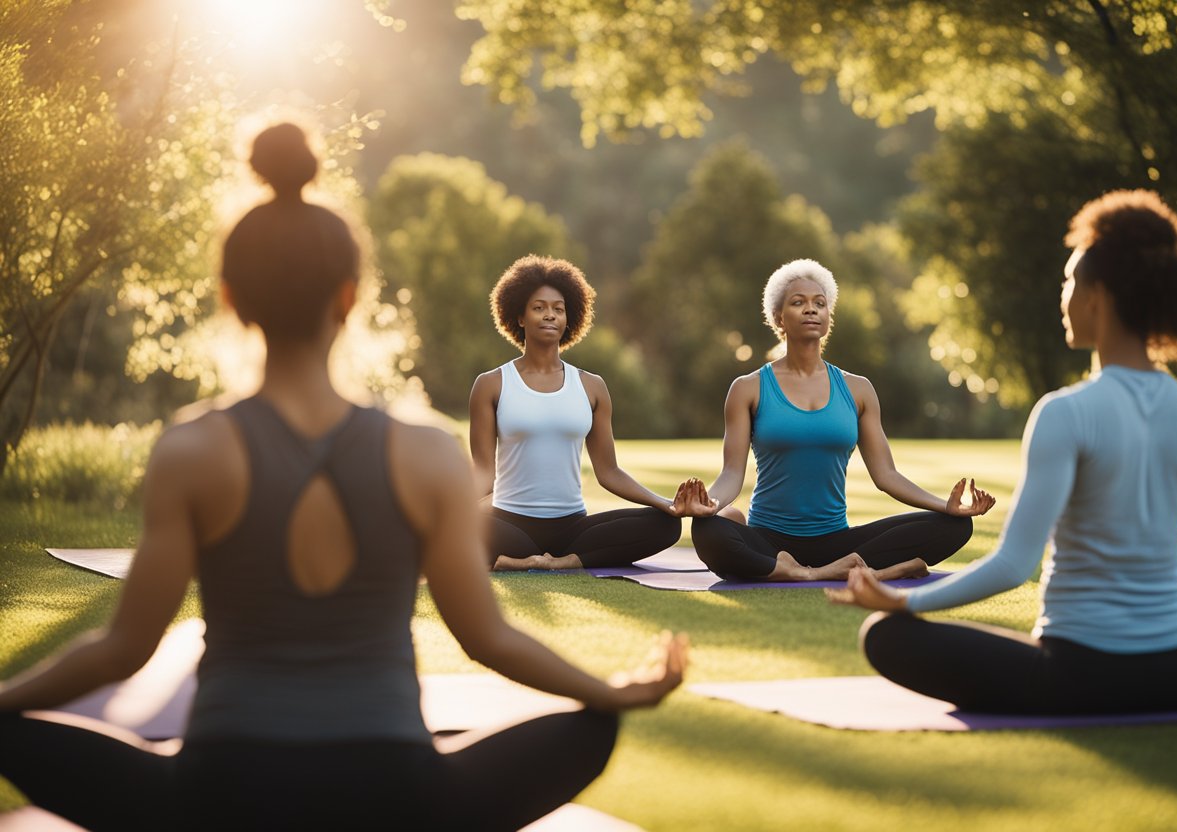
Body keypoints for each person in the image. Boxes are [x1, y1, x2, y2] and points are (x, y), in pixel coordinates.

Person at [0, 123, 687, 832]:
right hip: (398, 792)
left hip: (221, 793)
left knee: (13, 731)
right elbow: (488, 638)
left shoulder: (193, 447)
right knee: (592, 727)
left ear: (232, 298)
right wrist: (611, 692)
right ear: (350, 297)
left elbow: (123, 648)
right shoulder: (422, 451)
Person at [829, 189, 1177, 714]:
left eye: (1070, 282)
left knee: (885, 635)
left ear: (1098, 297)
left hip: (1080, 672)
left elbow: (1015, 563)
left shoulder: (1066, 412)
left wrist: (903, 599)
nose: (1064, 297)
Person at [685, 258, 995, 582]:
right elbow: (732, 473)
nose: (811, 310)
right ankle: (837, 573)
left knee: (955, 526)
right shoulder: (748, 388)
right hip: (770, 541)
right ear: (779, 318)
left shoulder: (857, 389)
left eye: (820, 303)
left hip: (838, 542)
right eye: (798, 302)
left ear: (828, 318)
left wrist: (946, 506)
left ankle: (810, 570)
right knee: (708, 529)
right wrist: (710, 503)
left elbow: (886, 474)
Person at [469, 255, 687, 571]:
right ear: (519, 316)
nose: (549, 315)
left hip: (572, 529)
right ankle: (517, 558)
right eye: (539, 307)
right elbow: (482, 470)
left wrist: (666, 504)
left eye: (558, 309)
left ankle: (566, 561)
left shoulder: (592, 386)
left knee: (666, 525)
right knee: (453, 521)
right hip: (509, 525)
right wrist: (452, 508)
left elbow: (609, 472)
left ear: (569, 318)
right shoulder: (491, 384)